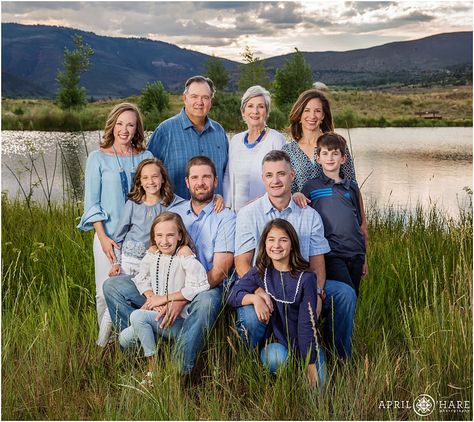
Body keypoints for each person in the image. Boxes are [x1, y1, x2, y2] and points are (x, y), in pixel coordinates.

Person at [103, 156, 236, 375]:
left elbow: (221, 270)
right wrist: (155, 291)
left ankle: (178, 368)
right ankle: (145, 347)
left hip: (201, 288)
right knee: (113, 286)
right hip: (164, 284)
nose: (200, 182)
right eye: (195, 177)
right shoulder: (176, 209)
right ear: (187, 182)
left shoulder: (225, 216)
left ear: (215, 181)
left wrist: (178, 297)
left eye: (206, 177)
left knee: (208, 301)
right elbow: (157, 234)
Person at [233, 149, 357, 359]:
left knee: (344, 294)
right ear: (263, 178)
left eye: (281, 174)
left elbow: (318, 263)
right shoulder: (248, 214)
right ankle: (253, 360)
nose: (275, 181)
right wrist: (258, 292)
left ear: (292, 175)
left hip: (302, 285)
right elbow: (242, 262)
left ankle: (339, 356)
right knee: (250, 318)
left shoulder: (310, 215)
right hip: (262, 285)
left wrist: (317, 292)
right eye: (269, 175)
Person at [77, 102, 153, 347]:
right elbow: (92, 203)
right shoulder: (97, 158)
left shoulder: (146, 157)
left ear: (137, 128)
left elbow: (156, 194)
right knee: (103, 293)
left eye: (130, 124)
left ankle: (134, 339)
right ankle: (106, 343)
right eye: (120, 123)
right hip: (108, 237)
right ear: (112, 125)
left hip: (141, 240)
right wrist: (102, 238)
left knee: (139, 291)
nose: (124, 129)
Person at [228, 219, 326, 387]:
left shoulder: (306, 278)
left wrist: (310, 365)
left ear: (292, 244)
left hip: (304, 341)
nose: (277, 245)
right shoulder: (260, 273)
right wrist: (255, 298)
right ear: (264, 244)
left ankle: (304, 367)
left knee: (319, 389)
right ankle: (282, 376)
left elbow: (306, 325)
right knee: (276, 358)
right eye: (271, 239)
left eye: (283, 240)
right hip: (278, 345)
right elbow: (232, 295)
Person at [119, 212, 210, 379]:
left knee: (137, 316)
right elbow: (142, 278)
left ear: (180, 235)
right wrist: (152, 298)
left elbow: (199, 285)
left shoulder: (184, 255)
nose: (164, 241)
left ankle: (153, 370)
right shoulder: (154, 254)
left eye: (170, 235)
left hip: (178, 322)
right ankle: (160, 351)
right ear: (153, 236)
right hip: (157, 315)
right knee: (124, 338)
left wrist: (165, 298)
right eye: (159, 235)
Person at [282, 88, 368, 257]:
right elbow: (284, 190)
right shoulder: (288, 150)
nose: (312, 116)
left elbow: (353, 186)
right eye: (306, 110)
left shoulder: (336, 145)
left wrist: (363, 224)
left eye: (317, 111)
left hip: (337, 227)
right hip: (304, 224)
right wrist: (294, 194)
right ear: (299, 114)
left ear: (323, 115)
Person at [109, 157, 223, 277]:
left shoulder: (172, 203)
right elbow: (118, 237)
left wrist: (215, 197)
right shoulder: (133, 204)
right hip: (128, 261)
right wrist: (116, 263)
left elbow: (195, 200)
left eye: (155, 176)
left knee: (146, 291)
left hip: (153, 261)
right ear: (140, 181)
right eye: (145, 178)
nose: (151, 181)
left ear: (163, 178)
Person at [301, 133, 368, 295]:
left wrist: (364, 257)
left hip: (356, 253)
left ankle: (348, 321)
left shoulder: (352, 187)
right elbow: (300, 215)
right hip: (332, 253)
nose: (330, 158)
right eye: (325, 153)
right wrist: (297, 196)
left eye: (335, 153)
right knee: (346, 292)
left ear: (343, 159)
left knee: (353, 296)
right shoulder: (311, 187)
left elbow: (360, 224)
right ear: (318, 159)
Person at [147, 75, 228, 199]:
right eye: (194, 96)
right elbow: (147, 173)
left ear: (210, 102)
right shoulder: (165, 131)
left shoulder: (219, 131)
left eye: (205, 97)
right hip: (175, 214)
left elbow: (226, 174)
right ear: (185, 98)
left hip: (215, 214)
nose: (200, 102)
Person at [223, 85, 286, 212]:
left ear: (267, 112)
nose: (255, 111)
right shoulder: (235, 140)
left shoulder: (276, 140)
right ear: (243, 111)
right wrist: (226, 207)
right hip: (235, 214)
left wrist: (264, 202)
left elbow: (283, 179)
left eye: (261, 106)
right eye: (250, 106)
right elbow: (227, 177)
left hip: (265, 212)